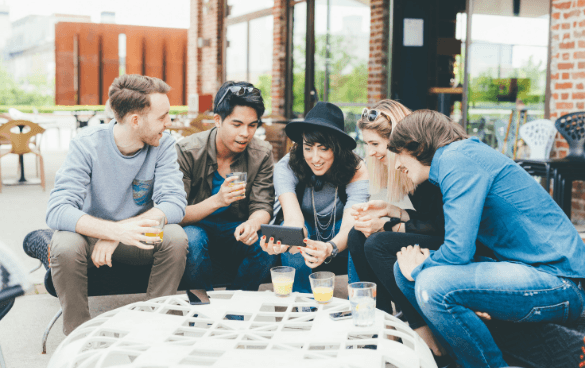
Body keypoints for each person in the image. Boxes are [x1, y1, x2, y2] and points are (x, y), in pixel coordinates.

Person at [389, 110, 585, 368]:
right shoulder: (459, 158)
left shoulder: (456, 159)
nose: (395, 164)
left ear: (419, 145)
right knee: (403, 272)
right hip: (523, 270)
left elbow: (459, 250)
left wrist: (422, 266)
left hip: (560, 281)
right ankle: (459, 360)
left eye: (398, 152)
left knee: (431, 283)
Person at [46, 74, 188, 335]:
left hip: (133, 237)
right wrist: (111, 232)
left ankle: (154, 323)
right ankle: (78, 333)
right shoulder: (86, 144)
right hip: (89, 239)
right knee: (64, 243)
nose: (169, 123)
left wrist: (119, 232)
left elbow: (175, 204)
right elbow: (57, 209)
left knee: (175, 236)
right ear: (135, 120)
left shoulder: (164, 145)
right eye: (162, 117)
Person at [346, 100, 450, 364]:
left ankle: (420, 329)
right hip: (432, 229)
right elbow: (423, 216)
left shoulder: (425, 163)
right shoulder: (399, 168)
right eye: (366, 144)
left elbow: (441, 224)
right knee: (357, 237)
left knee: (377, 243)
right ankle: (383, 325)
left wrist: (389, 224)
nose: (369, 153)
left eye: (374, 144)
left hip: (452, 239)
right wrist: (390, 210)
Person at [176, 81, 276, 291]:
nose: (245, 133)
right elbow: (175, 213)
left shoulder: (261, 153)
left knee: (266, 242)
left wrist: (253, 224)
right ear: (218, 120)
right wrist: (217, 201)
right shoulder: (188, 151)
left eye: (252, 125)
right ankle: (203, 308)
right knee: (193, 238)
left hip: (236, 228)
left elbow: (263, 206)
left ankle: (237, 307)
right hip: (198, 226)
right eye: (237, 124)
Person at [261, 102, 369, 292]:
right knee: (294, 243)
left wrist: (330, 247)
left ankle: (358, 301)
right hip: (306, 228)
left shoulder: (356, 169)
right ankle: (305, 307)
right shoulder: (287, 167)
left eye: (324, 148)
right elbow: (294, 220)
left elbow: (350, 224)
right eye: (308, 147)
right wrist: (284, 240)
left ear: (338, 147)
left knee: (359, 234)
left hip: (339, 229)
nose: (315, 158)